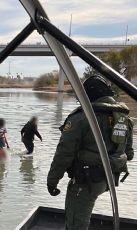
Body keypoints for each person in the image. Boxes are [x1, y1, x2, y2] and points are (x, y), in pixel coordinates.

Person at [47, 75, 134, 230]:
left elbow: (64, 154)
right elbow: (130, 153)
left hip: (86, 181)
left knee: (75, 224)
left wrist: (52, 181)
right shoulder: (125, 119)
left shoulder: (81, 118)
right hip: (109, 178)